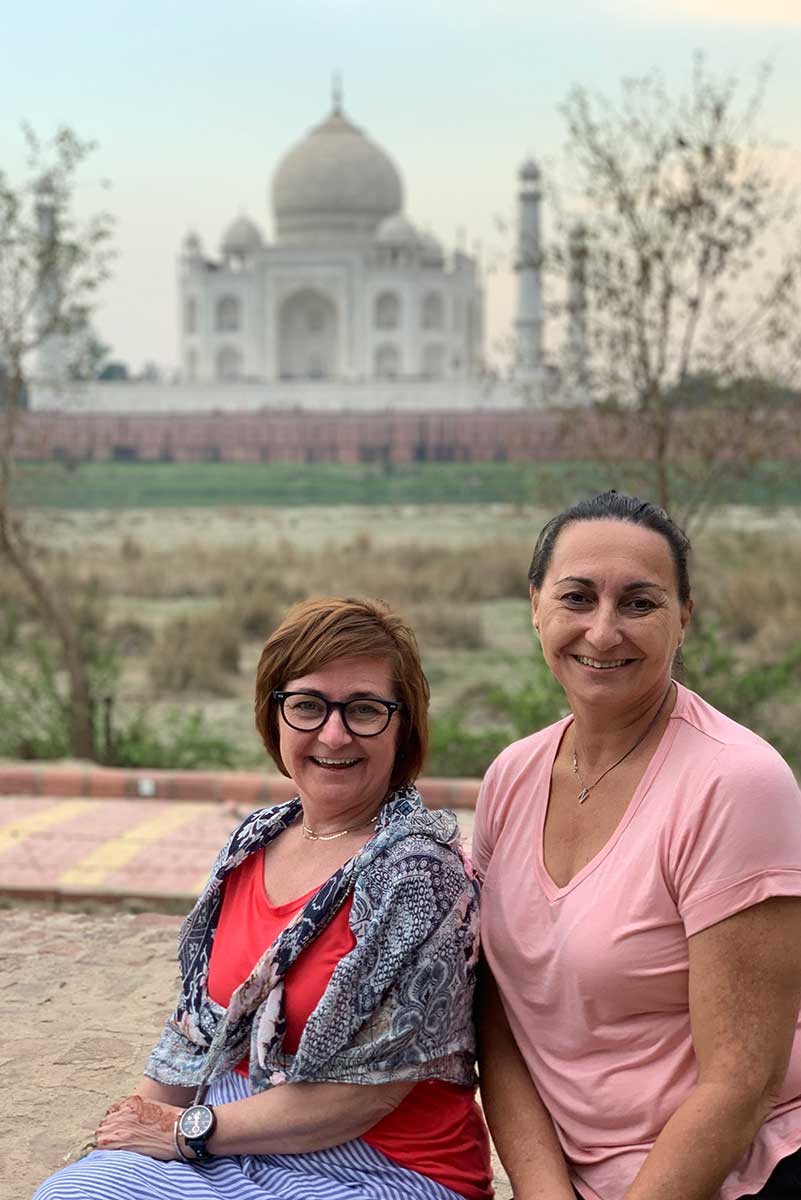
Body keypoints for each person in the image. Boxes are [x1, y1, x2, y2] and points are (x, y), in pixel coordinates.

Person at [35, 596, 492, 1200]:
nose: (334, 732)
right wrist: (124, 1135)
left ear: (403, 725)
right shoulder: (252, 844)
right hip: (236, 1138)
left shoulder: (421, 874)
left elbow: (364, 1097)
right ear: (273, 716)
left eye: (363, 709)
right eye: (307, 705)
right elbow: (194, 1031)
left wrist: (183, 1131)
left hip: (379, 1164)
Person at [474, 491, 801, 1200]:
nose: (601, 631)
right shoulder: (510, 776)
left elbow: (740, 1084)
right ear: (535, 605)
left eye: (639, 603)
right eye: (576, 597)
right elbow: (495, 1019)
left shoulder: (735, 784)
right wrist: (542, 1191)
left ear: (683, 617)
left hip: (736, 1170)